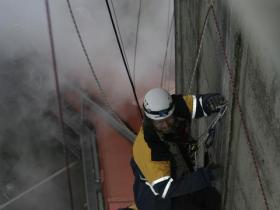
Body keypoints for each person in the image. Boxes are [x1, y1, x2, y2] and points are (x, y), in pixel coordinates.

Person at [121, 88, 226, 210]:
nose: (166, 125)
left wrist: (210, 103)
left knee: (212, 198)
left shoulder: (172, 108)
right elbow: (166, 190)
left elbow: (194, 105)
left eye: (168, 119)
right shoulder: (151, 148)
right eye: (159, 122)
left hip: (171, 178)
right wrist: (205, 176)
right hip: (156, 201)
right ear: (150, 120)